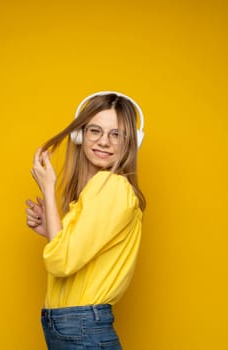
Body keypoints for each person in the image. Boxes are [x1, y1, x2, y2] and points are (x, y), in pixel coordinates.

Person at [25, 91, 146, 349]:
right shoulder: (94, 193)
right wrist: (50, 230)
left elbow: (60, 263)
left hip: (83, 329)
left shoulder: (111, 186)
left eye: (117, 134)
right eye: (95, 131)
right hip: (71, 328)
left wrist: (48, 187)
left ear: (131, 142)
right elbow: (73, 256)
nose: (104, 141)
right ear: (80, 135)